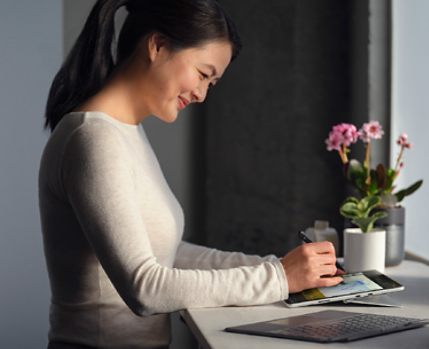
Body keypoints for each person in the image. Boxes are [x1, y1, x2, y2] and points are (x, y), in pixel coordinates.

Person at [39, 0, 343, 348]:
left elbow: (165, 252)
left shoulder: (122, 132)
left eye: (211, 84)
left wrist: (279, 267)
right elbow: (145, 289)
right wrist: (277, 277)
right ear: (157, 45)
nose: (201, 94)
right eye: (203, 74)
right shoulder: (93, 138)